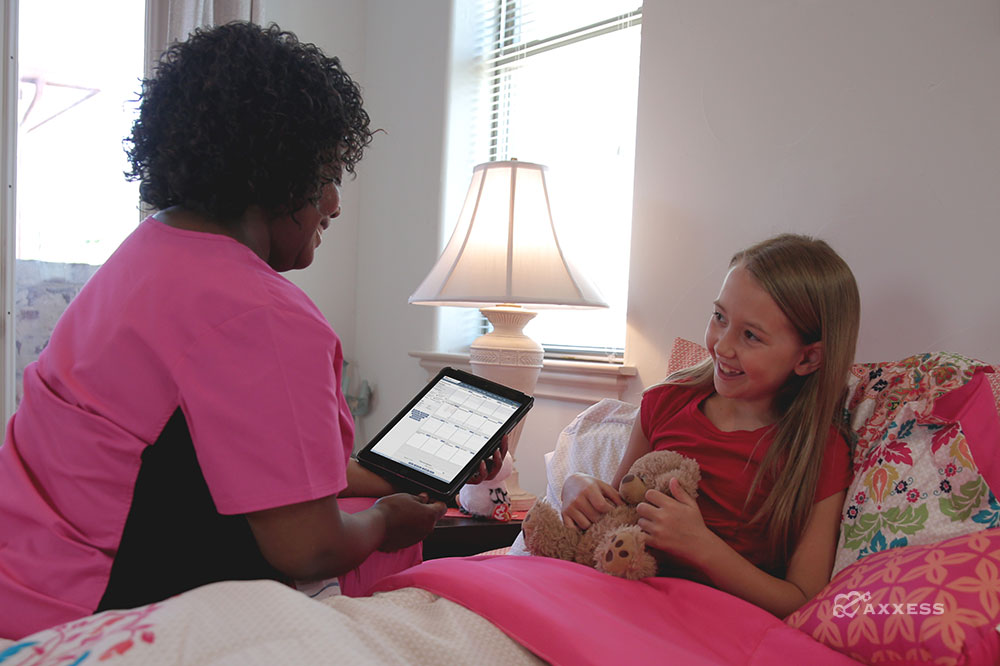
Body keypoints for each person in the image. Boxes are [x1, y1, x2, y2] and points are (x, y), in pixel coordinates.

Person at [0, 22, 502, 641]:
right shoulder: (259, 312)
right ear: (278, 172)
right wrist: (383, 522)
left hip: (20, 583)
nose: (336, 203)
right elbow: (308, 546)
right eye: (326, 172)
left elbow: (213, 463)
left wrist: (404, 474)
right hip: (89, 616)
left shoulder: (142, 260)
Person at [560, 233, 859, 617]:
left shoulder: (819, 453)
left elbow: (802, 599)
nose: (722, 345)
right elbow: (618, 510)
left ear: (809, 359)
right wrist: (578, 484)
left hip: (707, 621)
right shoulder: (665, 402)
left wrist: (702, 546)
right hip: (615, 593)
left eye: (751, 335)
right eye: (720, 317)